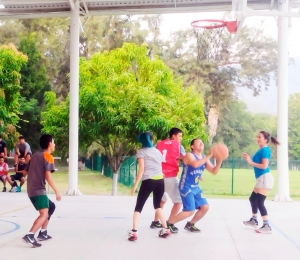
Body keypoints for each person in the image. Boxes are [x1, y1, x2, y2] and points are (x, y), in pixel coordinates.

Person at [167, 138, 223, 232]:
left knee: (205, 207)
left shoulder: (203, 157)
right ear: (192, 146)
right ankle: (169, 223)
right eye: (198, 142)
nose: (201, 143)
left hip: (196, 187)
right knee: (189, 211)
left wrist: (220, 160)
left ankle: (190, 224)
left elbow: (214, 171)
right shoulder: (189, 155)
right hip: (186, 186)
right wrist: (209, 156)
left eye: (202, 142)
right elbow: (195, 165)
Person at [129, 132, 171, 241]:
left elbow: (141, 170)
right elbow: (159, 166)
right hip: (160, 181)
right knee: (157, 205)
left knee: (139, 206)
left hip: (148, 181)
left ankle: (134, 232)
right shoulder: (157, 152)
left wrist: (135, 186)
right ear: (151, 140)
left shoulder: (141, 152)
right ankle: (166, 229)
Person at [22, 134, 61, 248]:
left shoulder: (34, 156)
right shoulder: (48, 156)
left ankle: (43, 233)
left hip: (31, 190)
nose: (54, 145)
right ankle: (30, 235)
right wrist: (57, 191)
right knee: (44, 214)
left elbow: (25, 172)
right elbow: (48, 176)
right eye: (53, 142)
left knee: (51, 206)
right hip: (39, 190)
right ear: (49, 144)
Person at [242, 131, 279, 234]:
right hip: (261, 178)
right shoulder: (261, 150)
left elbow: (264, 166)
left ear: (265, 140)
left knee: (259, 202)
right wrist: (249, 159)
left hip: (264, 178)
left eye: (260, 137)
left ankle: (266, 225)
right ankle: (254, 220)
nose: (257, 139)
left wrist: (250, 162)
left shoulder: (265, 150)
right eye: (257, 137)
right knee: (252, 198)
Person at [150, 128, 186, 233]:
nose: (181, 138)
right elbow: (185, 159)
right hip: (170, 176)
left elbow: (151, 153)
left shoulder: (159, 144)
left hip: (159, 176)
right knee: (178, 202)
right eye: (180, 136)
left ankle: (155, 221)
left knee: (162, 199)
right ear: (173, 136)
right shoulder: (178, 146)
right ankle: (170, 223)